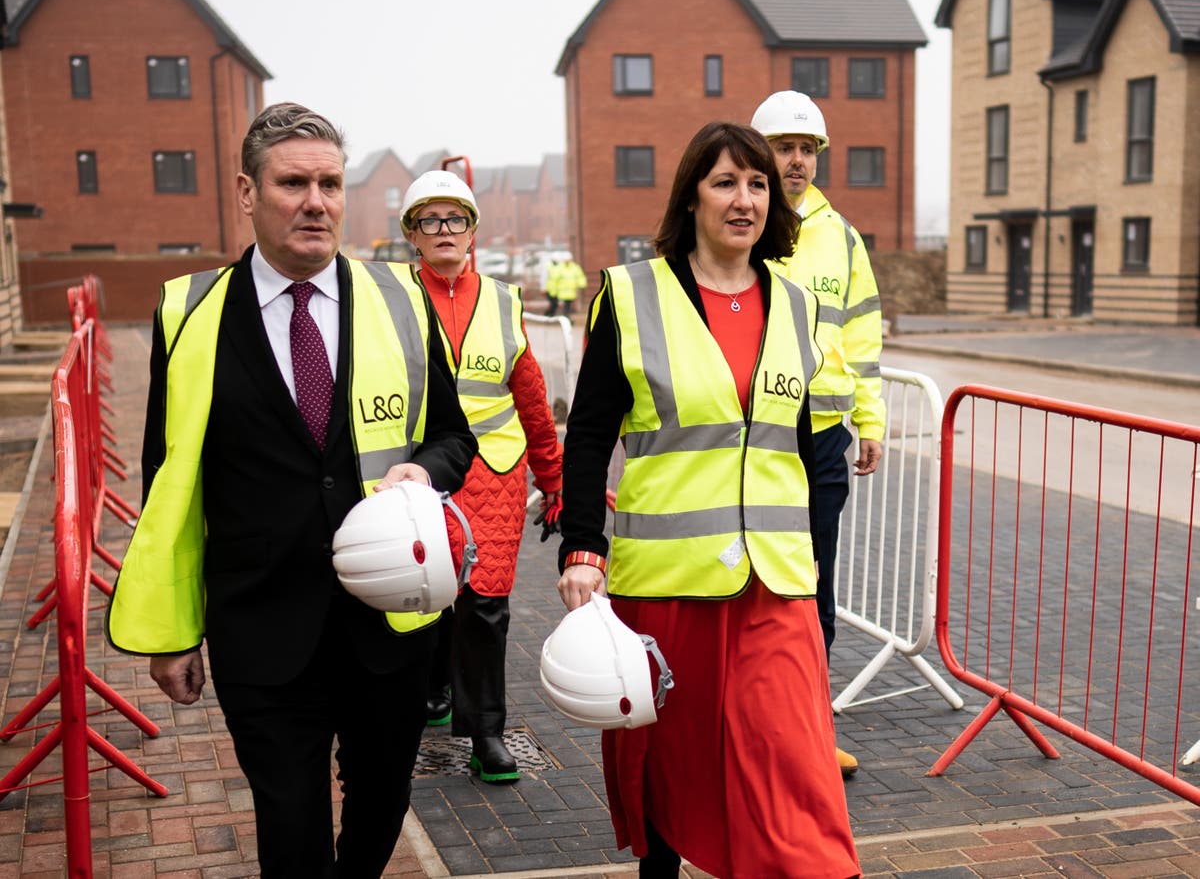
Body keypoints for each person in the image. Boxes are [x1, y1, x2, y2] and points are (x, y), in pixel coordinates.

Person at [105, 103, 477, 878]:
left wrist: (425, 471)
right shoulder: (190, 311)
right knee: (290, 822)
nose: (317, 201)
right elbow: (169, 483)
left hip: (390, 625)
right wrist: (175, 631)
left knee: (381, 798)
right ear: (247, 192)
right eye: (294, 183)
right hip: (261, 628)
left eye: (331, 184)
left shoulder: (402, 302)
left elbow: (453, 436)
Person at [557, 121, 860, 878]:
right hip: (668, 582)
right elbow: (591, 433)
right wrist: (582, 546)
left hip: (777, 585)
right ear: (691, 197)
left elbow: (789, 442)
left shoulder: (797, 305)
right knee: (671, 765)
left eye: (757, 183)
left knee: (796, 766)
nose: (744, 199)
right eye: (725, 182)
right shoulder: (630, 295)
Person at [402, 170, 563, 782]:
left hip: (494, 472)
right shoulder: (392, 299)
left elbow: (532, 398)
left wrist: (554, 479)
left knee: (484, 604)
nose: (444, 231)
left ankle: (486, 733)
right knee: (424, 593)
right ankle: (436, 686)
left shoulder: (503, 299)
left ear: (472, 230)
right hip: (416, 470)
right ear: (413, 234)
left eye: (456, 220)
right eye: (430, 220)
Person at [752, 90, 887, 778]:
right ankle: (753, 725)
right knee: (757, 578)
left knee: (816, 583)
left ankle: (809, 728)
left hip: (825, 432)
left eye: (807, 149)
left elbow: (862, 331)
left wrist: (870, 417)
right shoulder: (742, 222)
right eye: (784, 147)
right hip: (756, 433)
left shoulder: (841, 235)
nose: (797, 160)